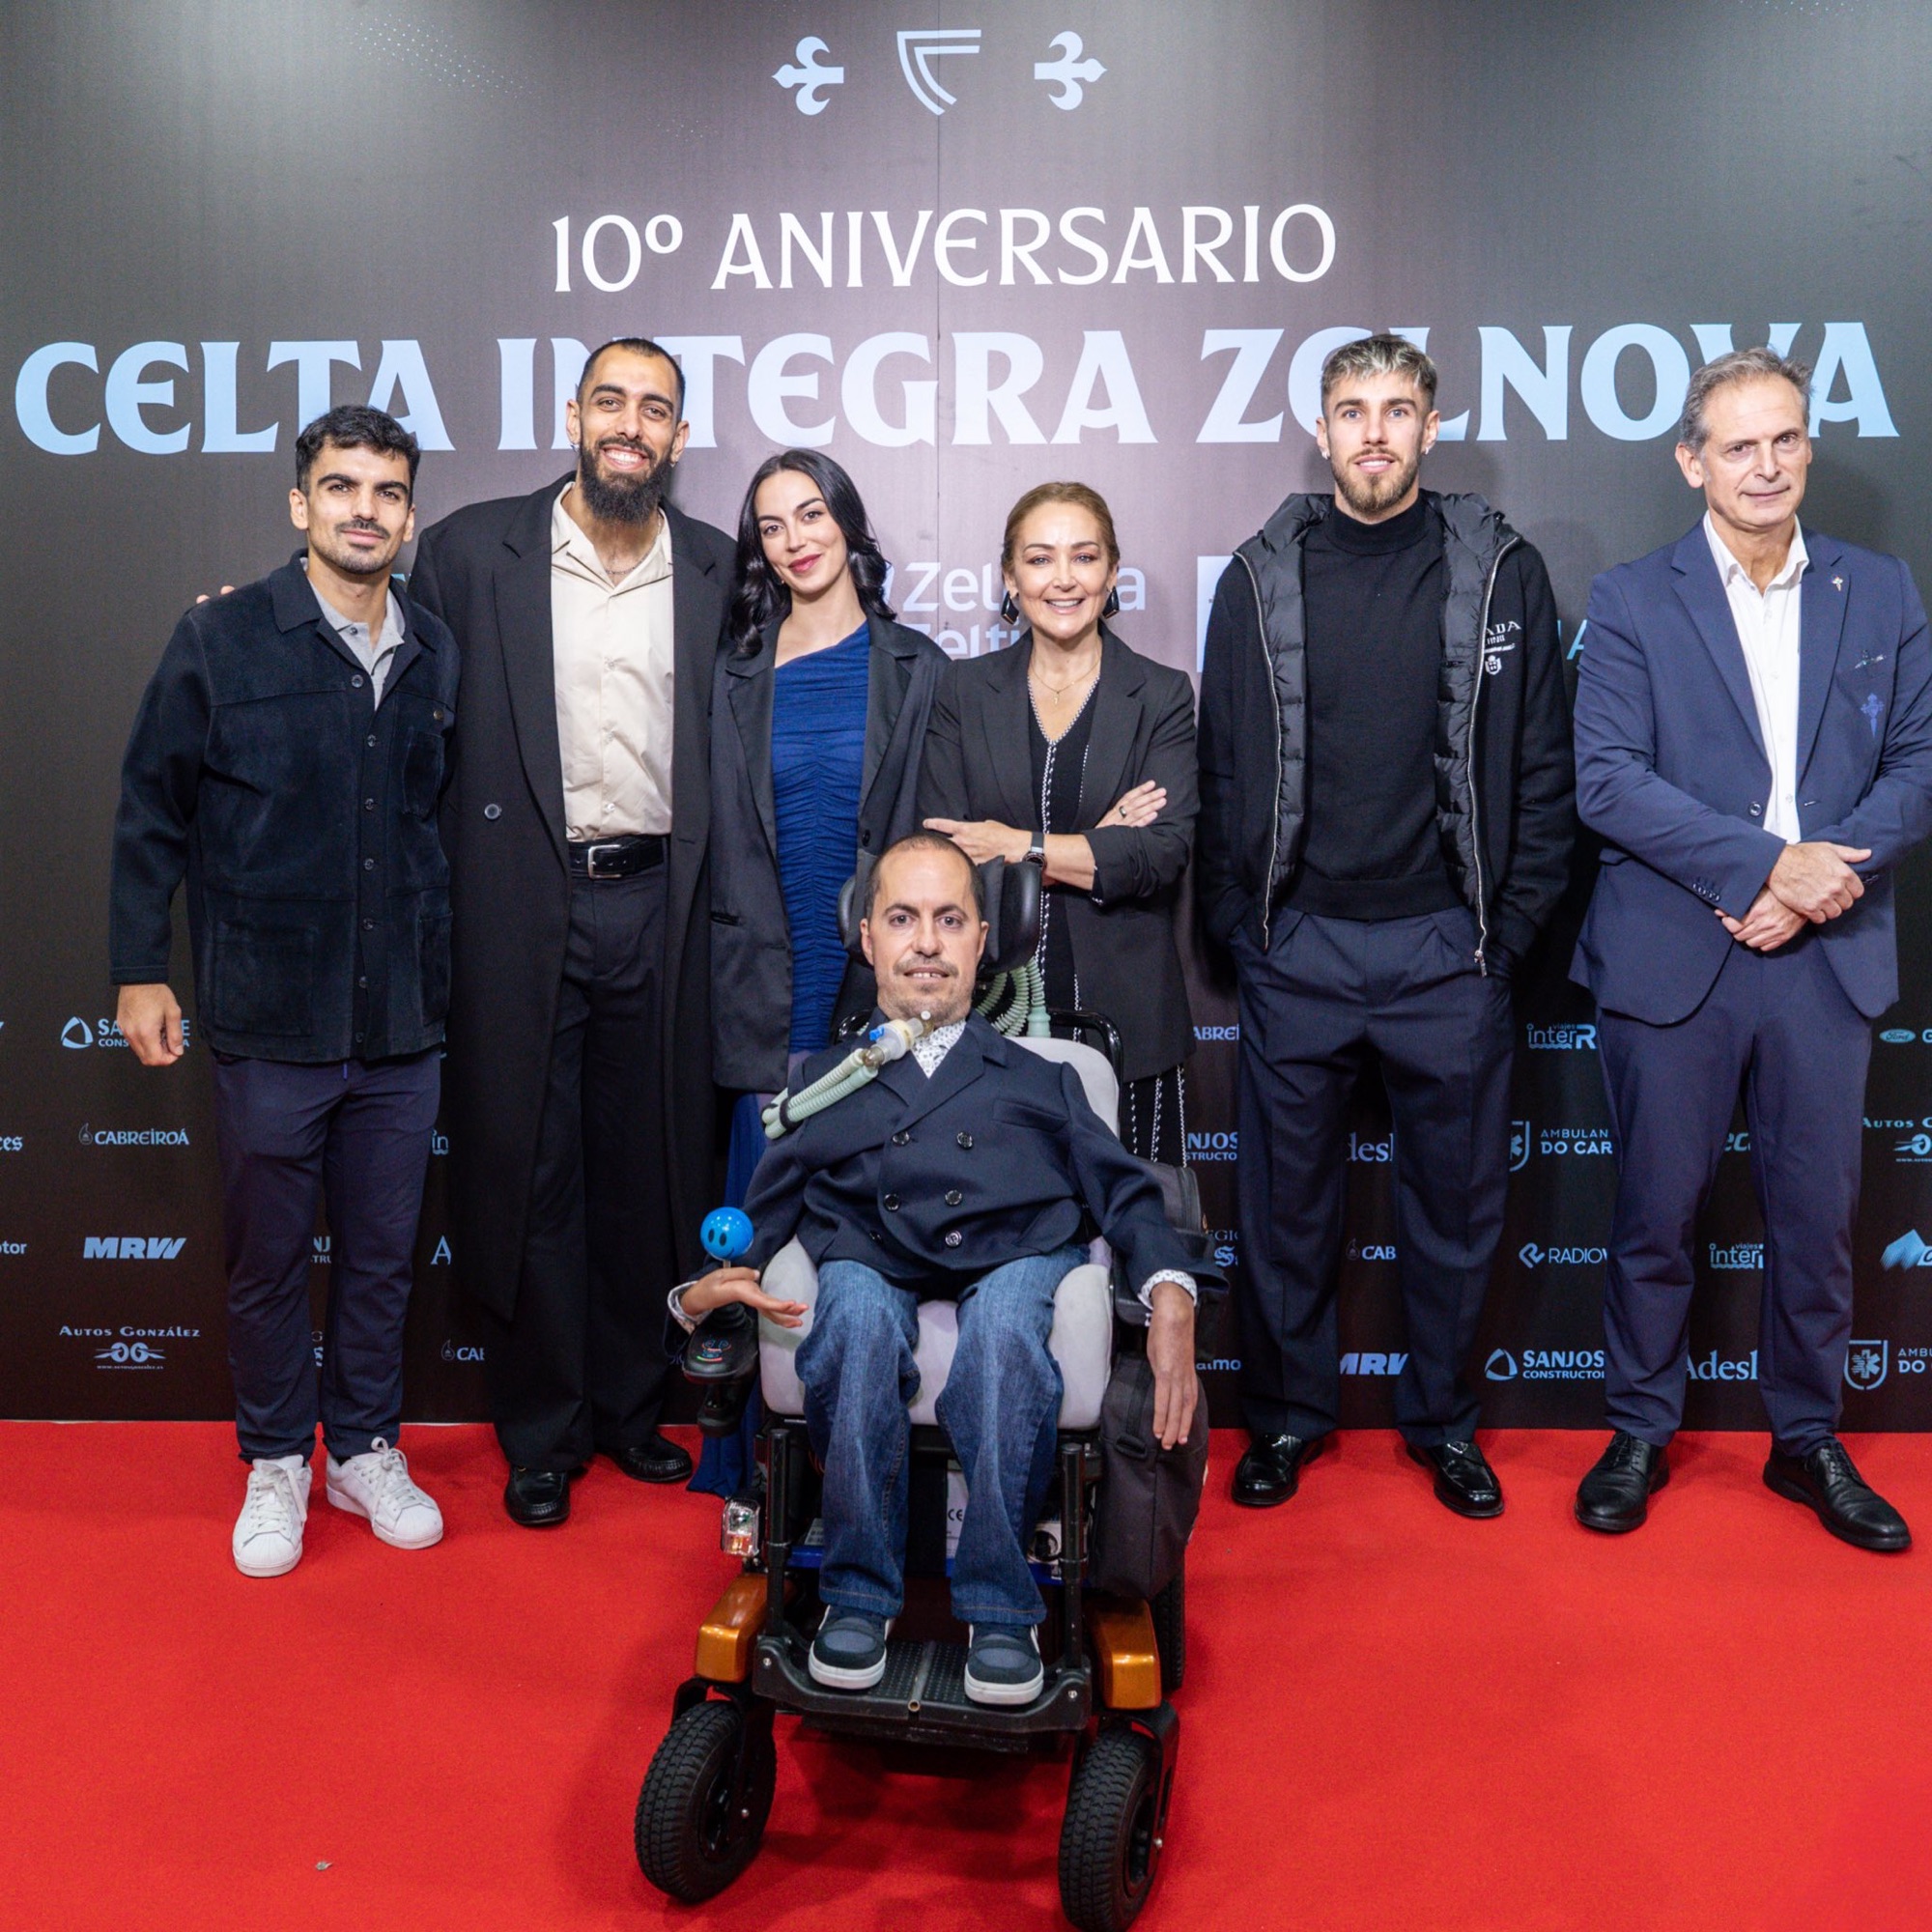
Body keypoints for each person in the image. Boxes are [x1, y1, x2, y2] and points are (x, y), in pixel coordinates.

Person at [675, 833, 1202, 1705]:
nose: (927, 942)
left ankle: (1001, 1606)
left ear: (983, 941)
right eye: (903, 919)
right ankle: (856, 1593)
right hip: (870, 1254)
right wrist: (701, 1290)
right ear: (868, 938)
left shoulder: (1042, 1078)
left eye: (950, 920)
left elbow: (1127, 1193)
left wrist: (1172, 1291)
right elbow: (763, 1212)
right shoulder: (826, 1082)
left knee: (1003, 1339)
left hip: (1019, 1251)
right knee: (849, 1315)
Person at [1198, 333, 1575, 1519]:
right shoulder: (1256, 575)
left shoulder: (1500, 570)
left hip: (1446, 948)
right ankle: (1284, 1416)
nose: (1373, 431)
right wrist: (1245, 929)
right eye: (1351, 410)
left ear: (1428, 426)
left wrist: (1506, 935)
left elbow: (1544, 768)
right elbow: (1220, 764)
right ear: (1320, 430)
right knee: (1281, 1212)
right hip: (1298, 942)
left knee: (1455, 1214)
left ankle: (1444, 1425)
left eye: (1395, 409)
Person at [1570, 347, 1932, 1548]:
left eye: (1783, 439)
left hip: (1825, 951)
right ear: (1692, 462)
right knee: (1653, 1211)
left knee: (1816, 1218)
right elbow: (1605, 780)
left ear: (1806, 448)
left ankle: (1805, 1437)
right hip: (1675, 950)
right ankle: (1637, 1427)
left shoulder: (1878, 588)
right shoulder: (1631, 597)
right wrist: (1763, 866)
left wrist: (1813, 885)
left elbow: (1917, 764)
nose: (1764, 465)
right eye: (1737, 445)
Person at [109, 404, 454, 1577]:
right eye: (342, 486)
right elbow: (149, 808)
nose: (366, 509)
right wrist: (139, 969)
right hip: (268, 1016)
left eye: (387, 491)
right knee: (266, 1261)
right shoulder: (221, 637)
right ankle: (273, 1457)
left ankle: (360, 1446)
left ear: (409, 515)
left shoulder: (435, 647)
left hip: (401, 1018)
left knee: (382, 1256)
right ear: (301, 502)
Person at [407, 338, 732, 1527]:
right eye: (610, 401)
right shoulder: (467, 552)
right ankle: (542, 1431)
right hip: (519, 897)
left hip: (662, 902)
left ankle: (631, 1408)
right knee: (530, 1167)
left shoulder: (717, 567)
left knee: (646, 1167)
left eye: (654, 408)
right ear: (573, 414)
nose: (629, 425)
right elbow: (401, 710)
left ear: (679, 436)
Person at [920, 483, 1197, 1162]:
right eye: (1040, 559)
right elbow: (946, 861)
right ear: (1010, 578)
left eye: (1085, 556)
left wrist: (1016, 845)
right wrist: (1098, 841)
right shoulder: (961, 690)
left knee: (1135, 1215)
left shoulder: (1161, 694)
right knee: (998, 1210)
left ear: (1112, 571)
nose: (1064, 578)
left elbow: (1159, 856)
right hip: (987, 1013)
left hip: (1129, 1021)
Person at [710, 448, 948, 1187]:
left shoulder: (918, 668)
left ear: (846, 521)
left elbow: (942, 832)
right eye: (772, 527)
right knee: (766, 1215)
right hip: (761, 993)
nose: (796, 540)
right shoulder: (731, 674)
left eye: (811, 514)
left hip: (879, 986)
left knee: (875, 1212)